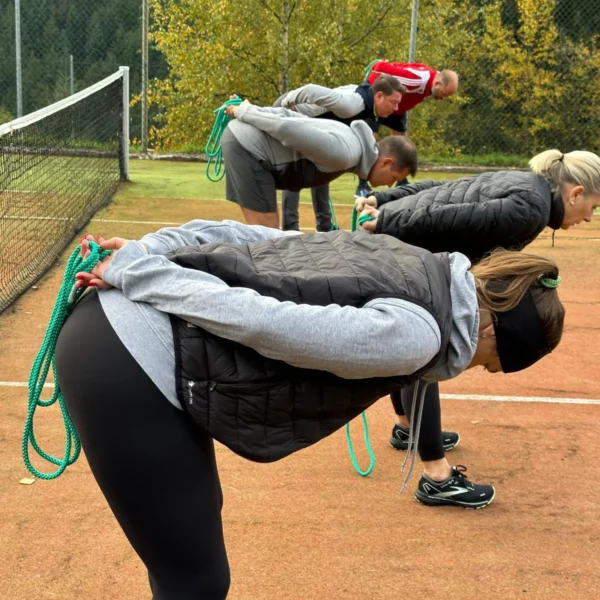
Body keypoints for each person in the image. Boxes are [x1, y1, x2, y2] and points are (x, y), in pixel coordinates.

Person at [55, 217, 564, 598]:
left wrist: (153, 249)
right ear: (490, 329)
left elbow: (258, 236)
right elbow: (263, 322)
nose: (475, 370)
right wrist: (142, 270)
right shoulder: (416, 336)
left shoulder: (414, 260)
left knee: (190, 545)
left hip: (125, 339)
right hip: (127, 358)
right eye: (489, 363)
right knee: (196, 582)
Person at [354, 148, 600, 507]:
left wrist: (385, 199)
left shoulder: (528, 184)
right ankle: (437, 477)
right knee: (430, 353)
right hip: (408, 256)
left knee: (422, 352)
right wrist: (387, 220)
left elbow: (448, 189)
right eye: (593, 207)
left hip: (407, 253)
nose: (590, 217)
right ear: (576, 193)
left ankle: (408, 427)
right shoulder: (531, 210)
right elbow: (451, 217)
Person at [222, 100, 417, 229]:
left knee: (266, 239)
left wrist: (252, 110)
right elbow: (286, 127)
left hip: (246, 145)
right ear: (386, 162)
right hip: (248, 148)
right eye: (394, 178)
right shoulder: (345, 154)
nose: (389, 185)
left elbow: (291, 117)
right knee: (267, 238)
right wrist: (245, 111)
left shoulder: (351, 144)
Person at [274, 74, 408, 231]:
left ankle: (324, 226)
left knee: (324, 169)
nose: (396, 108)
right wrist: (284, 107)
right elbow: (310, 90)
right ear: (379, 96)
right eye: (393, 102)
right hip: (289, 112)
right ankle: (290, 228)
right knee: (295, 172)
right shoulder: (353, 104)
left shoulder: (368, 104)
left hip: (312, 124)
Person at [355, 61, 459, 196]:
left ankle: (402, 181)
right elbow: (381, 68)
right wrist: (378, 64)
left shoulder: (430, 81)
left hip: (397, 107)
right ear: (437, 83)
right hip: (378, 100)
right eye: (444, 94)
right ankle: (362, 185)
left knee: (402, 143)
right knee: (369, 140)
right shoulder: (419, 80)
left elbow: (404, 67)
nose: (444, 98)